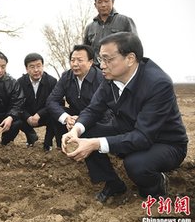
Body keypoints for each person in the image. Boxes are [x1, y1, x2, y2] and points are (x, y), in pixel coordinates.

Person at [62, 32, 188, 203]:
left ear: (129, 59)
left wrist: (95, 144)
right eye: (101, 59)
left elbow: (143, 137)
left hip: (165, 142)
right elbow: (93, 109)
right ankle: (114, 184)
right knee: (86, 132)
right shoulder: (110, 79)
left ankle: (157, 186)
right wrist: (76, 130)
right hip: (128, 129)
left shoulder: (158, 84)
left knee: (136, 164)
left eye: (107, 59)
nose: (102, 65)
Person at [46, 45, 107, 142]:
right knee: (56, 112)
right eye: (72, 60)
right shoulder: (66, 76)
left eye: (79, 60)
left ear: (90, 62)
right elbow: (51, 101)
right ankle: (66, 143)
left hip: (96, 116)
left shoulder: (101, 78)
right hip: (74, 115)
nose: (75, 64)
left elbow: (106, 109)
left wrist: (82, 119)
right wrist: (66, 118)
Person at [83, 0, 137, 68]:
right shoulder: (90, 27)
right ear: (95, 5)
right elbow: (86, 52)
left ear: (113, 2)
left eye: (106, 1)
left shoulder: (125, 21)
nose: (103, 5)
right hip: (96, 71)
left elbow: (135, 46)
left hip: (118, 68)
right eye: (100, 2)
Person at [17, 53, 59, 151]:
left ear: (42, 66)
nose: (36, 70)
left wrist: (39, 114)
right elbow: (18, 104)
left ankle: (48, 144)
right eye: (32, 67)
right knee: (15, 118)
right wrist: (27, 117)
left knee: (55, 115)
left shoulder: (52, 81)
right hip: (27, 116)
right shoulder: (20, 82)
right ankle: (30, 136)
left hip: (44, 115)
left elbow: (56, 103)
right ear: (26, 69)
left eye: (38, 66)